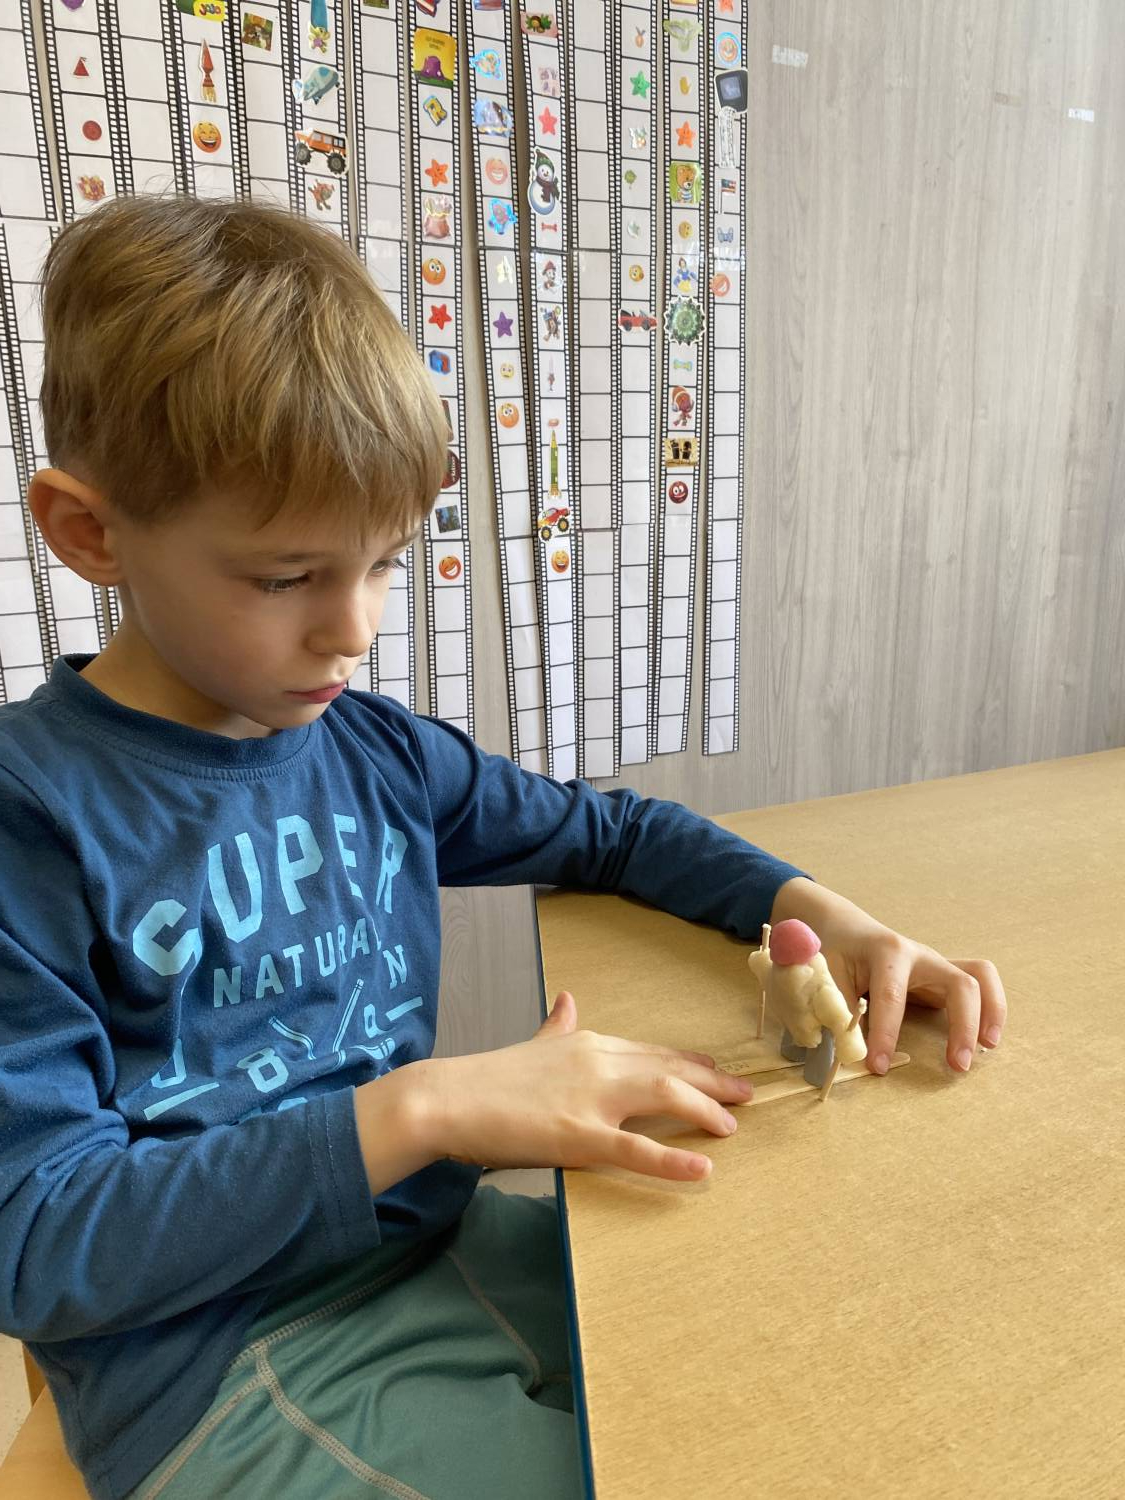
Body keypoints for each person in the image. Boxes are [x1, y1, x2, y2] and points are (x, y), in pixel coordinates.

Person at [0, 197, 1007, 1500]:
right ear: (90, 532)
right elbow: (39, 1242)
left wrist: (827, 913)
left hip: (436, 1244)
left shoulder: (368, 749)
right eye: (285, 577)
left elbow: (611, 834)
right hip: (225, 1365)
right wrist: (433, 1106)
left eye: (383, 563)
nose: (353, 630)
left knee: (805, 1359)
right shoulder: (34, 816)